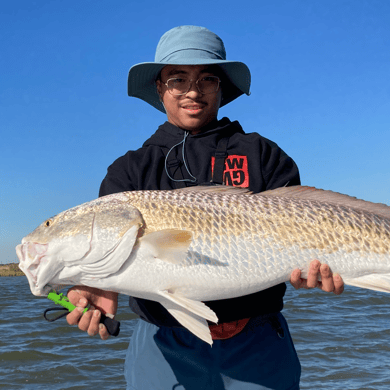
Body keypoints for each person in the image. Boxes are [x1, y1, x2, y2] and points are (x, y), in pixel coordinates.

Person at [67, 26, 344, 389]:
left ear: (222, 87)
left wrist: (317, 271)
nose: (193, 91)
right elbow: (112, 251)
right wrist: (94, 284)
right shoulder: (129, 171)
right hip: (162, 344)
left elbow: (302, 233)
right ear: (159, 88)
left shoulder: (263, 154)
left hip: (258, 342)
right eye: (177, 79)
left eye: (207, 79)